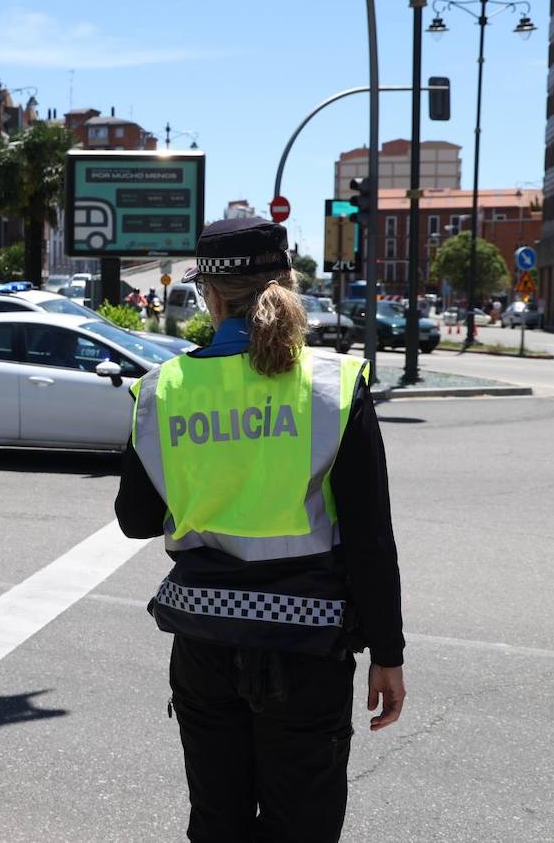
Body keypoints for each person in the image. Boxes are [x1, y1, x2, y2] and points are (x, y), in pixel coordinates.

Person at [114, 216, 406, 843]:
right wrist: (388, 653)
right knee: (301, 827)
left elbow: (134, 520)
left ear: (209, 297)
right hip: (307, 650)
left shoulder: (162, 391)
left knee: (217, 825)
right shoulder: (332, 385)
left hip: (205, 645)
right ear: (289, 286)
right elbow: (369, 537)